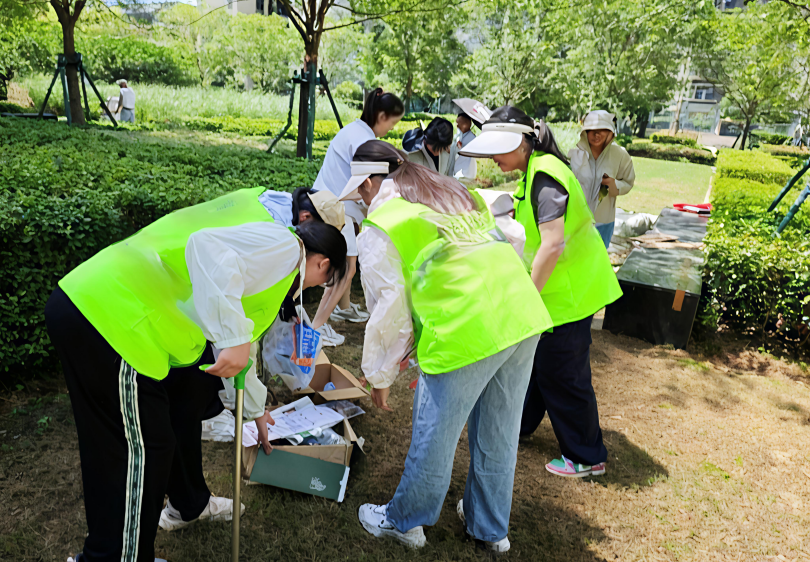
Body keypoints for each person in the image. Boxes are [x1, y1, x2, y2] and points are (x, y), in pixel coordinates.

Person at [46, 187, 347, 562]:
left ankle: (188, 504)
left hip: (113, 303)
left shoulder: (262, 212)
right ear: (322, 261)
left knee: (179, 411)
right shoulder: (286, 248)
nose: (314, 288)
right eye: (324, 280)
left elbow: (234, 323)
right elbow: (209, 251)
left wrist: (254, 408)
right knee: (139, 452)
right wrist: (234, 338)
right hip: (116, 317)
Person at [342, 140, 552, 553]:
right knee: (499, 430)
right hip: (520, 311)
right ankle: (489, 528)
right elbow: (511, 237)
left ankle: (406, 522)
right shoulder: (449, 192)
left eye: (359, 193)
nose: (361, 203)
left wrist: (380, 374)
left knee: (435, 433)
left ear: (368, 183)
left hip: (464, 326)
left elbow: (390, 307)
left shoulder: (384, 222)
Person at [460, 106, 622, 479]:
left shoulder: (545, 175)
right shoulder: (535, 170)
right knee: (536, 363)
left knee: (563, 373)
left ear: (522, 143)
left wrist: (527, 299)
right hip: (560, 291)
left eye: (499, 149)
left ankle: (586, 456)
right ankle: (519, 424)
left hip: (568, 295)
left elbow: (552, 244)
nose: (493, 158)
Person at [311, 88, 405, 345]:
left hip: (330, 203)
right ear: (382, 116)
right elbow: (368, 185)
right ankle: (317, 327)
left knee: (344, 263)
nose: (391, 128)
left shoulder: (355, 131)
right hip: (336, 207)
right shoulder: (363, 140)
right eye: (392, 123)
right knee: (346, 268)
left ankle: (341, 309)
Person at [568, 110, 635, 248]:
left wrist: (613, 184)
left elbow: (628, 181)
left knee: (599, 257)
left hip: (603, 222)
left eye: (602, 130)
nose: (596, 134)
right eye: (591, 130)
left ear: (610, 132)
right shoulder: (575, 155)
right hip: (576, 220)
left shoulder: (620, 155)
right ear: (585, 132)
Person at [453, 113, 478, 179]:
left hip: (466, 170)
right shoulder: (458, 135)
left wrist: (460, 148)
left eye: (459, 123)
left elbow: (469, 154)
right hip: (456, 167)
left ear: (466, 124)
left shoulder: (472, 138)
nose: (457, 126)